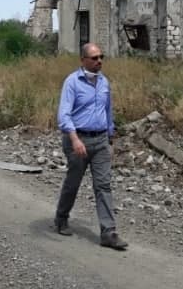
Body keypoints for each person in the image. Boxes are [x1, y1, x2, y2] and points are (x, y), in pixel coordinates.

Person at [53, 42, 128, 250]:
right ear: (83, 60)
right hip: (78, 139)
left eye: (101, 57)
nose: (99, 61)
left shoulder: (104, 82)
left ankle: (109, 232)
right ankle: (61, 218)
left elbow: (108, 111)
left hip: (100, 139)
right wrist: (75, 139)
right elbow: (64, 115)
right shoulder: (72, 82)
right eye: (94, 58)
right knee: (73, 182)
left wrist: (110, 138)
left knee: (103, 185)